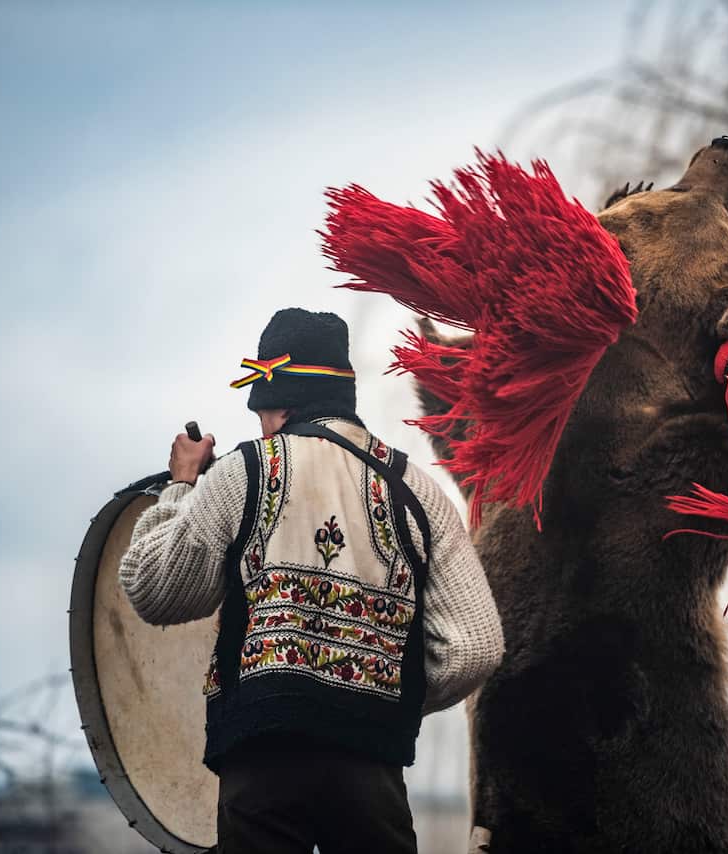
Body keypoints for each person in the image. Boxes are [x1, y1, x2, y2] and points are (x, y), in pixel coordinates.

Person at [119, 307, 504, 854]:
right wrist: (379, 692)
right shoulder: (418, 493)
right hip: (372, 773)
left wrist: (182, 486)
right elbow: (476, 650)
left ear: (276, 402)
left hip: (264, 767)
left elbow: (154, 588)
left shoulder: (246, 471)